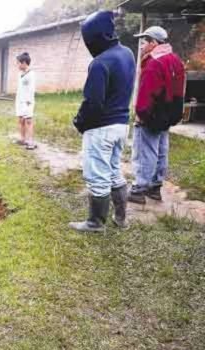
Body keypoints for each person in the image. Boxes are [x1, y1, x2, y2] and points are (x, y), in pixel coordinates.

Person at [69, 11, 136, 232]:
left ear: (96, 37)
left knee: (97, 173)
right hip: (121, 125)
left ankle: (95, 223)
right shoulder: (127, 54)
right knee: (114, 170)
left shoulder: (100, 63)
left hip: (101, 128)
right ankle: (121, 218)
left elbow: (93, 103)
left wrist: (79, 122)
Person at [128, 26, 186, 204]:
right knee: (161, 151)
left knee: (145, 152)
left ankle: (139, 189)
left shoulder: (154, 63)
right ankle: (155, 187)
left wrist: (141, 114)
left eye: (144, 42)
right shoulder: (175, 60)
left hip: (151, 115)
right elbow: (180, 90)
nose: (141, 46)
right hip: (167, 114)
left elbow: (147, 93)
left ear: (154, 43)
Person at [14, 52, 37, 150]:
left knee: (28, 121)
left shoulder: (31, 74)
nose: (17, 65)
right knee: (20, 120)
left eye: (18, 63)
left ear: (24, 63)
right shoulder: (20, 74)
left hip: (27, 101)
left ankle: (30, 141)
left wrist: (28, 101)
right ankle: (23, 139)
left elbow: (31, 89)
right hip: (19, 100)